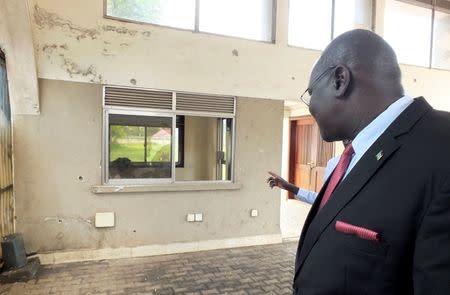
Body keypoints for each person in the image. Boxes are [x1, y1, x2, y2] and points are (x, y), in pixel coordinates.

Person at [290, 29, 450, 294]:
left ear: (340, 80)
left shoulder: (442, 149)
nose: (311, 105)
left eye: (311, 92)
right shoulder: (355, 153)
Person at [268, 140, 350, 204]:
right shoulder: (333, 163)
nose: (347, 141)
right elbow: (322, 199)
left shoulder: (362, 164)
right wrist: (288, 186)